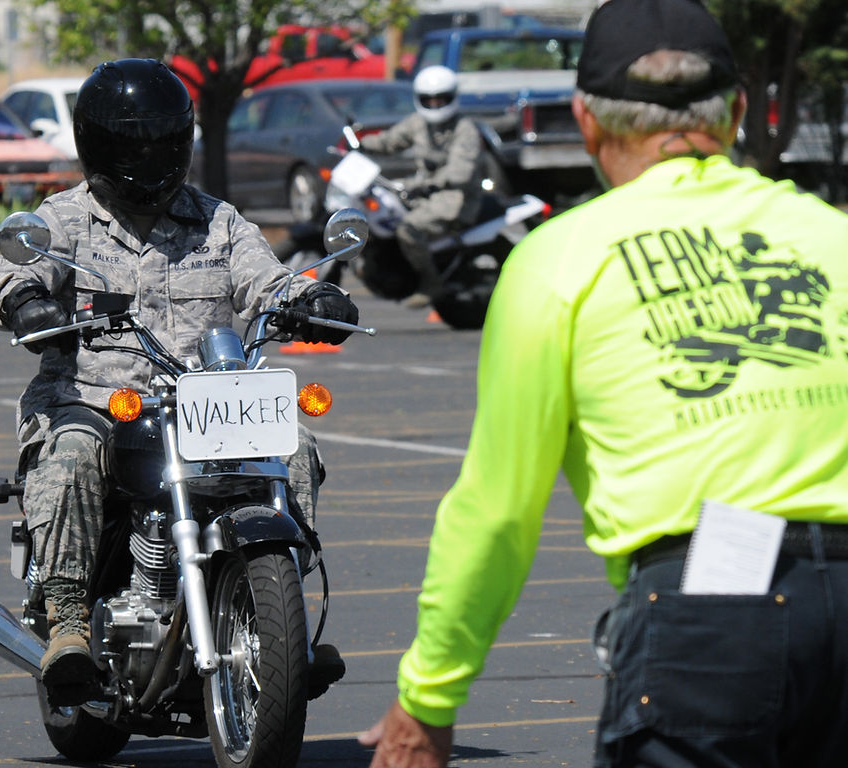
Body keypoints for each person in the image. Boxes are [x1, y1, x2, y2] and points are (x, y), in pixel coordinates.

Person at [359, 0, 848, 766]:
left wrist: (429, 698)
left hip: (709, 609)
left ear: (586, 121)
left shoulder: (559, 262)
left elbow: (497, 512)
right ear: (737, 111)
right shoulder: (833, 237)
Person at [0, 58, 358, 706]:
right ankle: (68, 621)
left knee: (294, 445)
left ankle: (282, 611)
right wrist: (29, 305)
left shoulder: (218, 222)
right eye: (134, 143)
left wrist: (311, 299)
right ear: (100, 143)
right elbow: (10, 278)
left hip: (206, 401)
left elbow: (267, 281)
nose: (149, 155)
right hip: (97, 398)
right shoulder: (66, 219)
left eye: (160, 141)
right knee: (71, 457)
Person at [358, 64, 485, 304]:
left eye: (441, 99)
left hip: (456, 198)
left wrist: (426, 184)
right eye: (429, 99)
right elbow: (390, 141)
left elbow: (460, 172)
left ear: (452, 97)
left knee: (408, 228)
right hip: (423, 192)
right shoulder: (418, 123)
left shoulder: (465, 129)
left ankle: (431, 284)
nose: (435, 104)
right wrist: (361, 143)